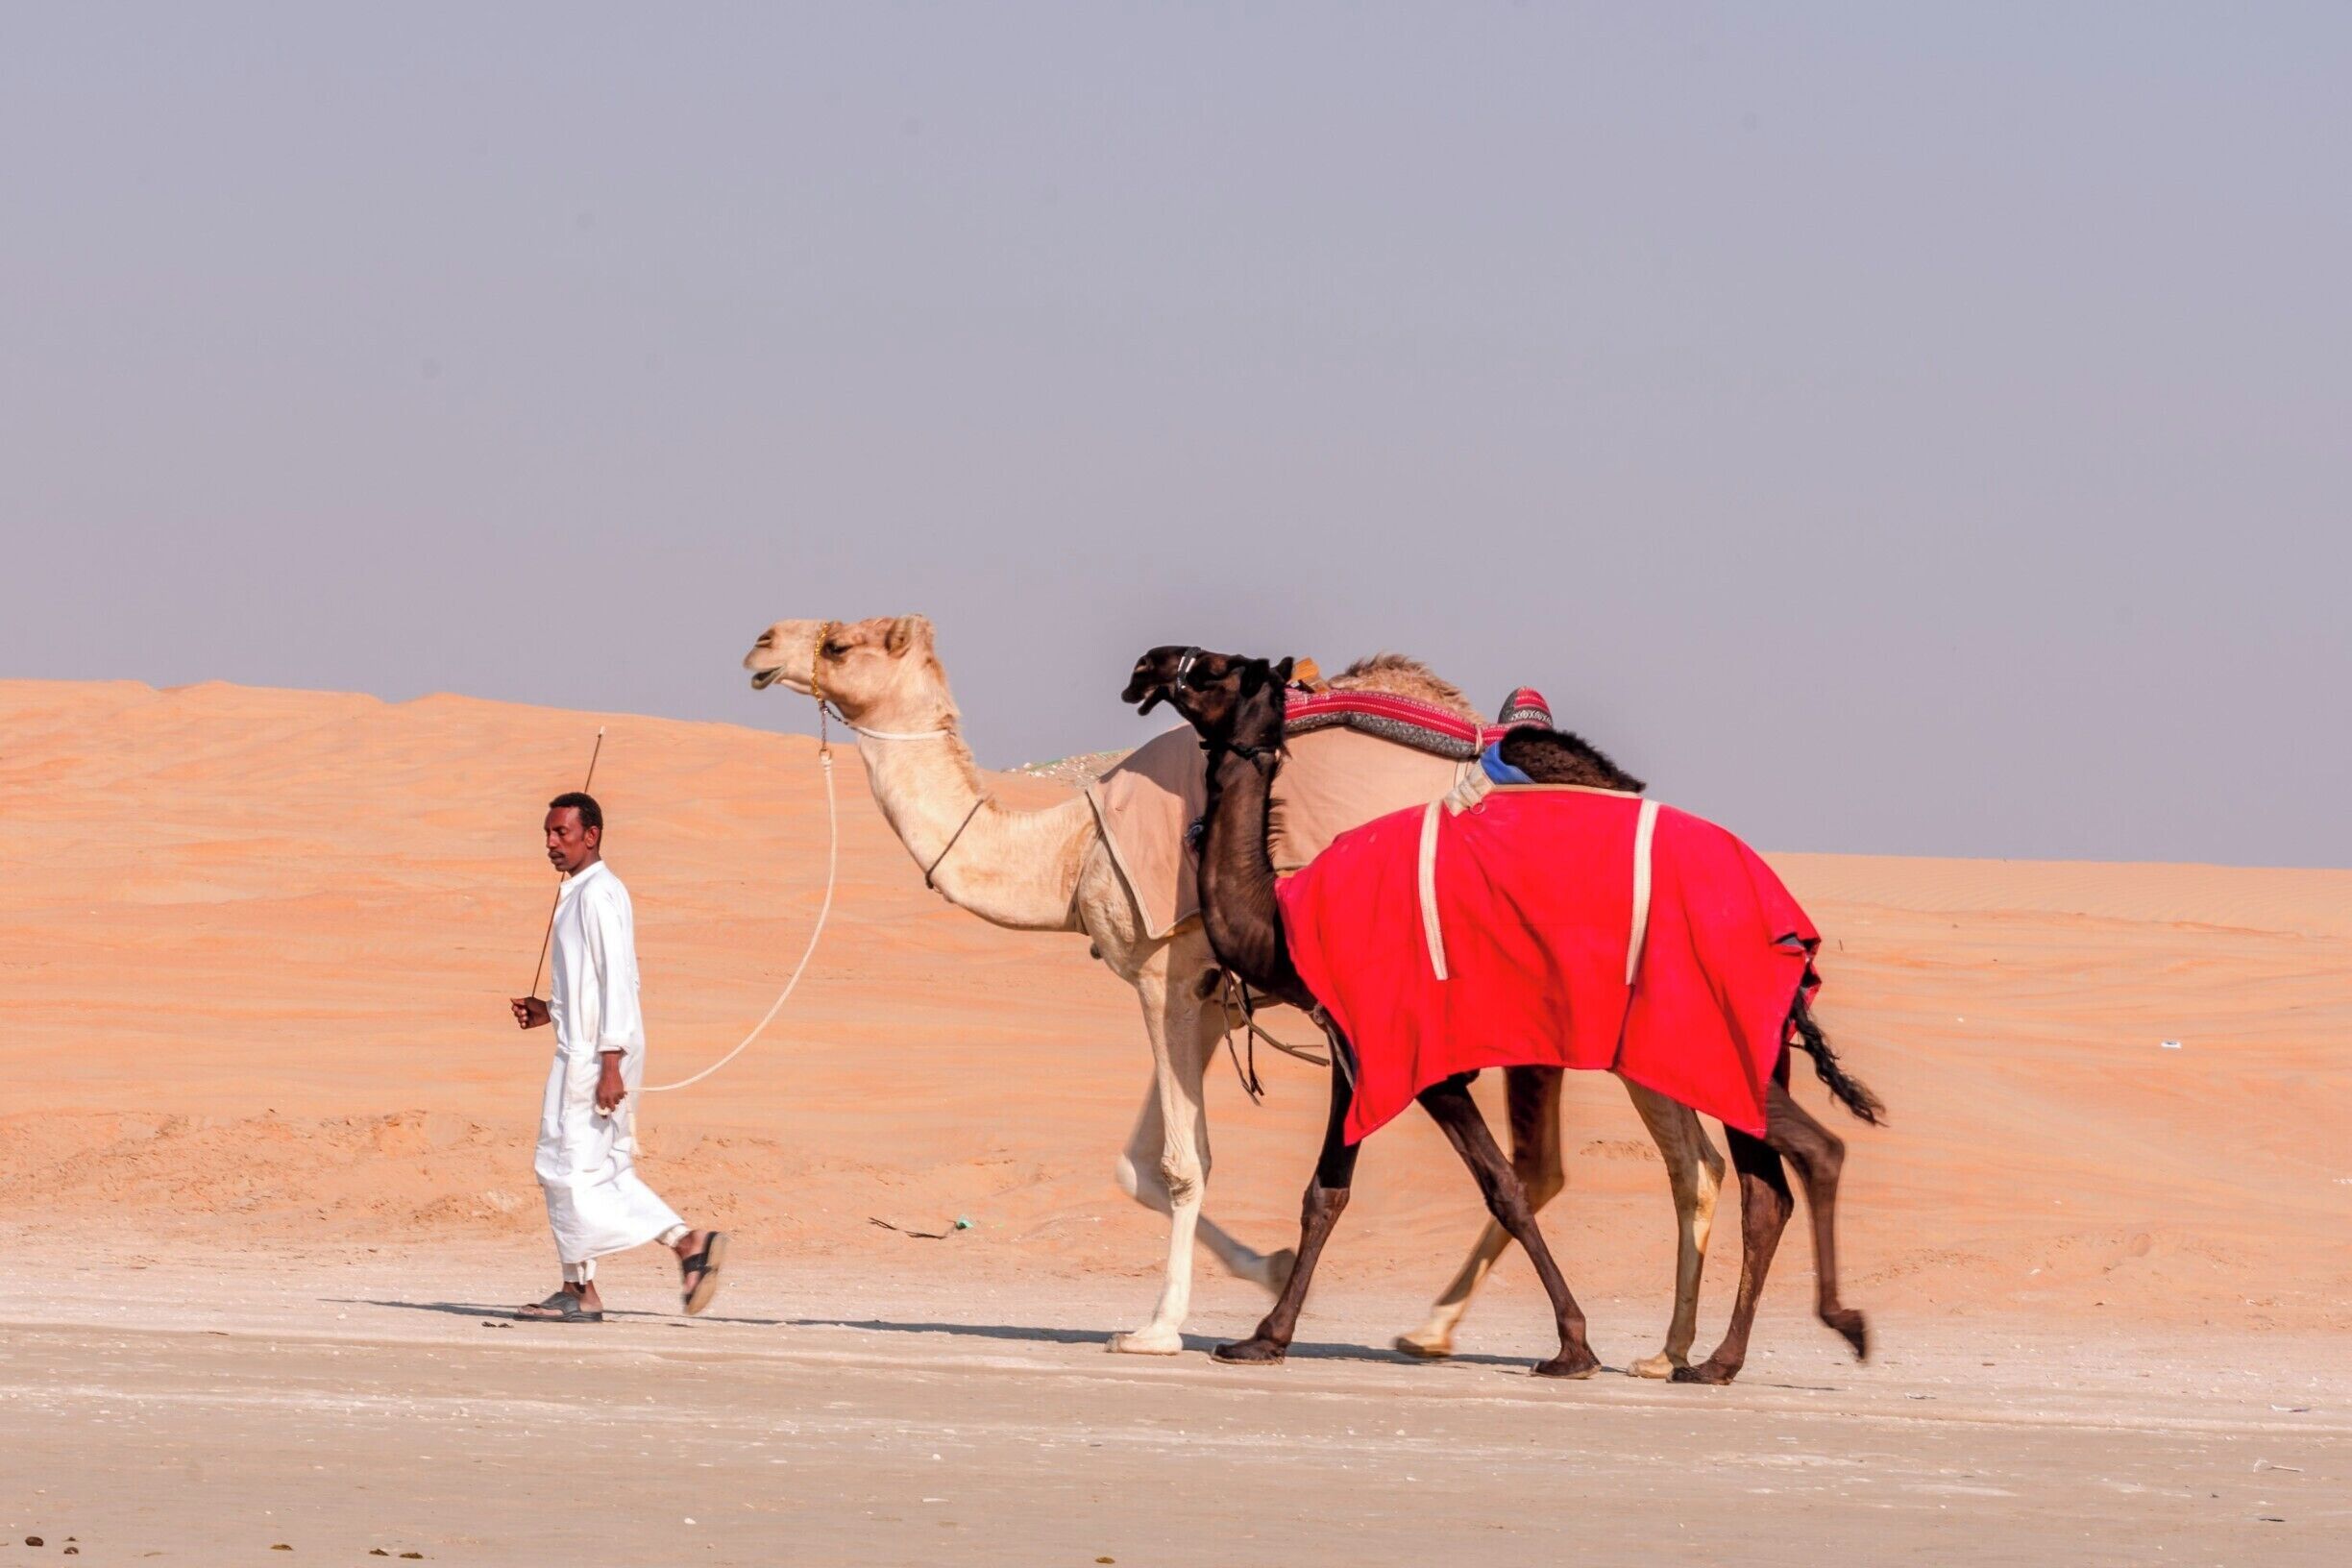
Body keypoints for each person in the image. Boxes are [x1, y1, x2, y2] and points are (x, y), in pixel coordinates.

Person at [508, 791, 725, 1321]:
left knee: (567, 1169)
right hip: (583, 1047)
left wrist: (611, 1062)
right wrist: (550, 1012)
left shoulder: (599, 894)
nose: (551, 843)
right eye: (547, 833)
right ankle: (662, 1253)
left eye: (562, 832)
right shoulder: (580, 892)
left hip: (596, 1056)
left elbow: (618, 984)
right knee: (588, 1168)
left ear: (592, 834)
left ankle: (636, 1266)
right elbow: (587, 987)